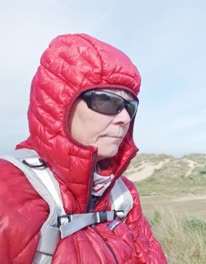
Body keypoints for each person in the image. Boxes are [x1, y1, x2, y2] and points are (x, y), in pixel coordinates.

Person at [0, 33, 167, 263]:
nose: (125, 119)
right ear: (60, 104)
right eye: (107, 101)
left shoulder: (124, 195)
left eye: (130, 106)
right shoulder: (7, 190)